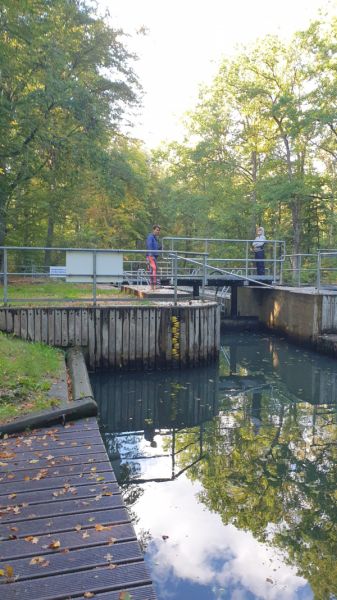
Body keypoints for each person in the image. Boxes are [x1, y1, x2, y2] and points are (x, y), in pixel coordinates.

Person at [146, 224, 161, 289]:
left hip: (154, 256)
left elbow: (155, 248)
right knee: (153, 269)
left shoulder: (155, 238)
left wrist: (160, 248)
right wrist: (150, 255)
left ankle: (153, 286)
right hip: (151, 256)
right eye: (157, 230)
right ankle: (153, 286)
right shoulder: (150, 237)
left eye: (159, 230)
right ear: (153, 230)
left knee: (154, 270)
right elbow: (149, 245)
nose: (158, 231)